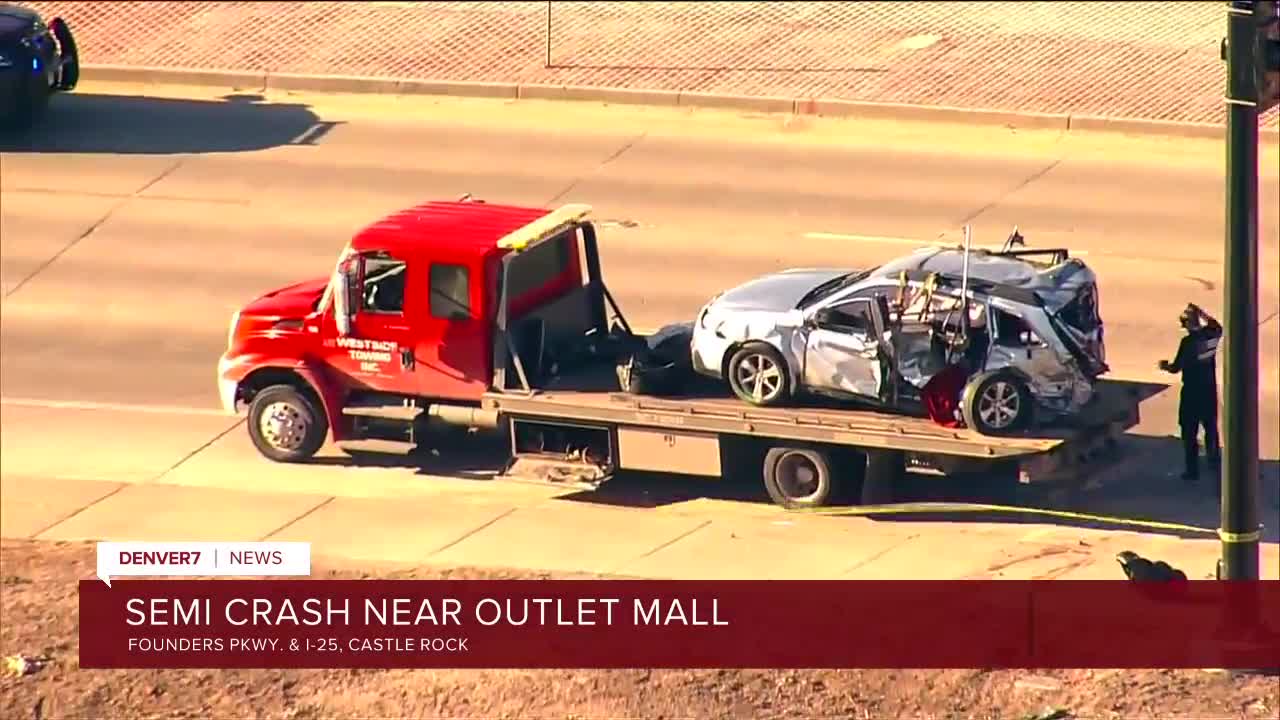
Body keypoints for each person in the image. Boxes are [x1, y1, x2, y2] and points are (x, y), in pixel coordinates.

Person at [1157, 303, 1222, 483]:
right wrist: (1201, 312)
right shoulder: (1211, 335)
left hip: (1192, 392)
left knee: (1189, 431)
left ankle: (1192, 470)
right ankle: (1214, 462)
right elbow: (1217, 326)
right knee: (1210, 428)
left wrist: (1164, 366)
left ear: (1187, 324)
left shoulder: (1188, 343)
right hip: (1209, 390)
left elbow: (1176, 368)